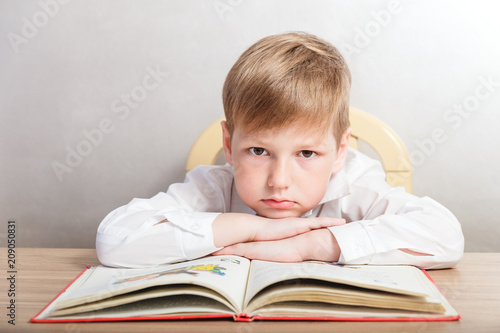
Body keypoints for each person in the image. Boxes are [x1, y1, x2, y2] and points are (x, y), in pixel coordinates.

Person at [96, 32, 464, 269]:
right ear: (229, 144)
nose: (279, 181)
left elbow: (446, 235)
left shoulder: (355, 185)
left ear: (339, 152)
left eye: (306, 154)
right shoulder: (212, 188)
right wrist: (251, 229)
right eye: (258, 151)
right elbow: (114, 240)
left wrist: (313, 244)